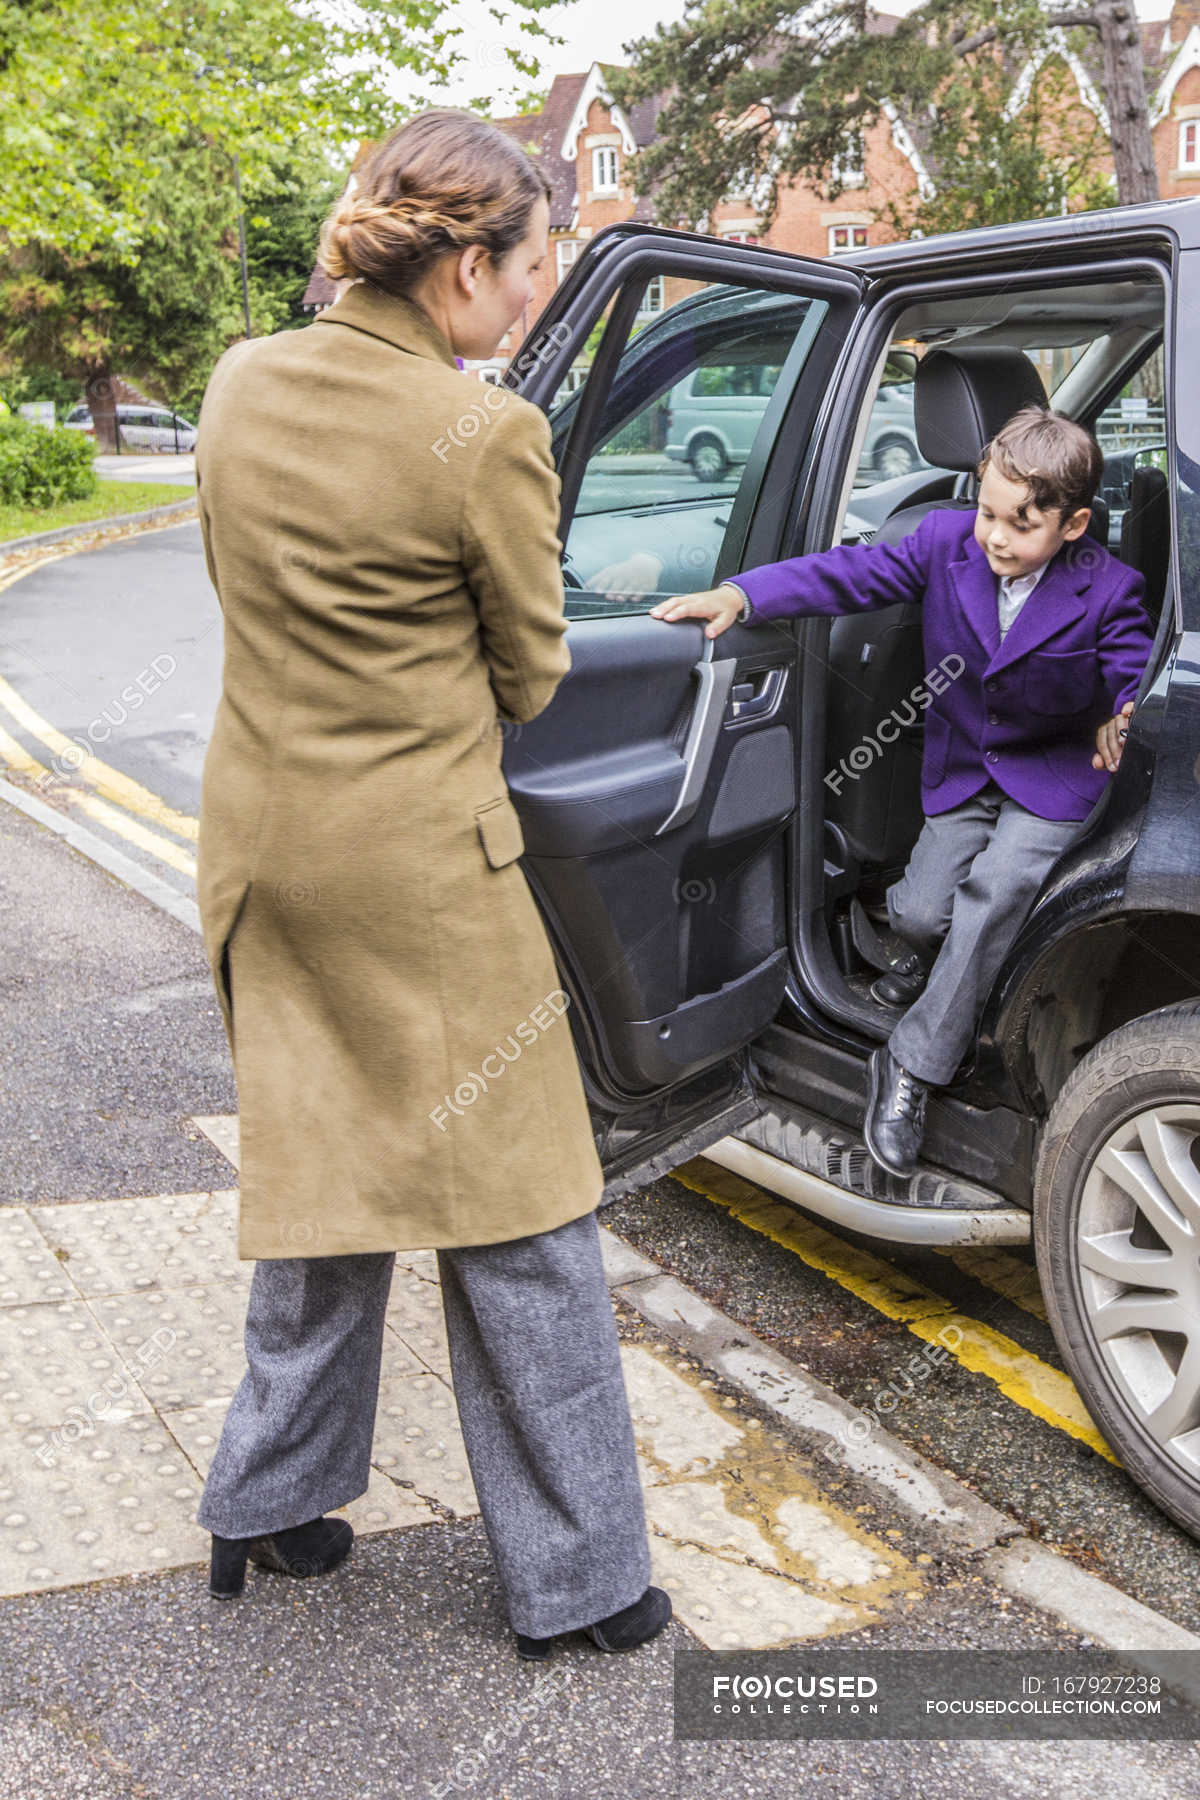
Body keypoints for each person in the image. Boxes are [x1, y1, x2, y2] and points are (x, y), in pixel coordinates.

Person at [191, 108, 669, 1662]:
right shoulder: (485, 434)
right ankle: (586, 1582)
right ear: (464, 266)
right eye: (532, 267)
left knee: (325, 1174)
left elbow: (244, 595)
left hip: (269, 859)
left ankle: (267, 1504)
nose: (537, 296)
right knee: (520, 1215)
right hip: (422, 875)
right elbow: (531, 678)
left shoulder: (242, 385)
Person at [648, 406, 1154, 1179]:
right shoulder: (944, 542)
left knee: (996, 891)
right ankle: (926, 962)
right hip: (963, 765)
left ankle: (913, 1066)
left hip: (1051, 775)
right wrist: (742, 598)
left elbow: (1133, 664)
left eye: (1022, 525)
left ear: (1075, 523)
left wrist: (1125, 712)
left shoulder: (1111, 588)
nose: (996, 537)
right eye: (988, 512)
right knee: (919, 913)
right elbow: (845, 576)